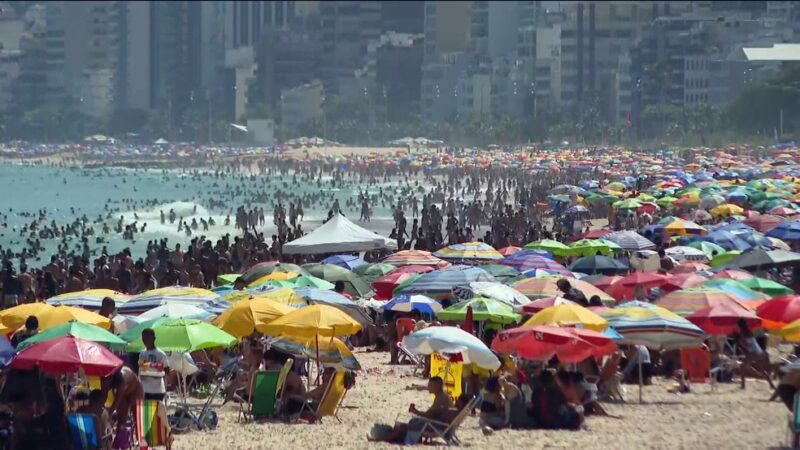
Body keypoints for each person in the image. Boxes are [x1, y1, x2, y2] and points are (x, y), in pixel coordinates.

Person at [368, 377, 458, 444]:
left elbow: (429, 416)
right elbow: (433, 415)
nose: (428, 387)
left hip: (435, 427)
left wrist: (415, 411)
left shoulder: (441, 399)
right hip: (437, 425)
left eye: (430, 385)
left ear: (437, 386)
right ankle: (390, 438)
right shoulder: (442, 397)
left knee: (403, 427)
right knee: (406, 424)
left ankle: (378, 440)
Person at [735, 318, 775, 390]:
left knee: (743, 368)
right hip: (758, 352)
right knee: (761, 370)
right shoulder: (749, 332)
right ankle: (771, 384)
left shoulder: (743, 334)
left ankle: (743, 385)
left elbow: (747, 345)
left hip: (752, 353)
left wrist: (742, 345)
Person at [138, 328, 169, 401]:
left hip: (157, 390)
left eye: (147, 337)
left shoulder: (160, 354)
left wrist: (150, 366)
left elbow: (167, 370)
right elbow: (141, 367)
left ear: (154, 338)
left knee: (155, 412)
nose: (145, 340)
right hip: (144, 390)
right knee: (144, 412)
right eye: (143, 337)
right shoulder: (142, 353)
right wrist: (155, 366)